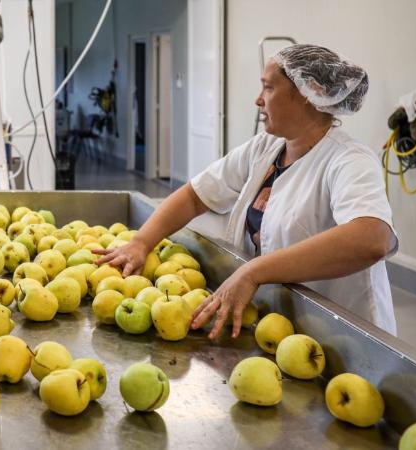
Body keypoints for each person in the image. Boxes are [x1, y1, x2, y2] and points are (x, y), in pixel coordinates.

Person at [96, 44, 398, 340]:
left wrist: (255, 271)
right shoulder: (265, 148)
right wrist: (141, 242)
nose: (258, 100)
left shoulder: (349, 160)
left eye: (268, 88)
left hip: (342, 336)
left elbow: (371, 239)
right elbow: (194, 195)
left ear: (311, 93)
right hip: (282, 326)